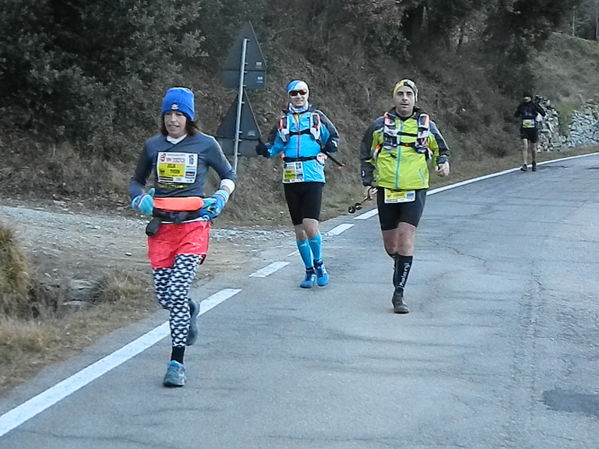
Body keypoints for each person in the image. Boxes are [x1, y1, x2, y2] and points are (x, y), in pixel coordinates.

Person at [129, 87, 236, 387]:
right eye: (168, 114)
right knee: (166, 297)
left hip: (193, 227)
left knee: (176, 291)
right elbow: (136, 182)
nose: (173, 120)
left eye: (179, 114)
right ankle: (189, 308)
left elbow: (229, 174)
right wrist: (139, 200)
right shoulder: (153, 146)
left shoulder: (206, 144)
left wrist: (221, 196)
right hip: (162, 229)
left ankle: (176, 362)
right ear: (162, 117)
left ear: (189, 117)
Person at [359, 79, 450, 314]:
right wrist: (367, 182)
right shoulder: (379, 126)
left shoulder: (427, 126)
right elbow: (365, 154)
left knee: (406, 237)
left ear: (415, 98)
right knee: (391, 245)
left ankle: (398, 294)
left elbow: (442, 149)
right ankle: (400, 264)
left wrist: (443, 163)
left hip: (415, 189)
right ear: (394, 97)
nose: (405, 98)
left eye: (409, 94)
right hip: (387, 189)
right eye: (400, 93)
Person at [255, 80, 340, 288]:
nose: (299, 96)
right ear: (289, 96)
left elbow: (333, 137)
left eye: (302, 92)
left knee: (311, 226)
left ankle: (319, 264)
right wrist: (264, 151)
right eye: (294, 93)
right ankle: (308, 271)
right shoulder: (282, 121)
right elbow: (275, 146)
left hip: (313, 176)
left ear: (308, 94)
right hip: (291, 177)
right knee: (300, 230)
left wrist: (331, 145)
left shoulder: (317, 117)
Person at [514, 92, 546, 172]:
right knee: (525, 146)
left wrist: (537, 114)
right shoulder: (521, 106)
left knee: (533, 148)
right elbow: (516, 115)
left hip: (533, 129)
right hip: (524, 129)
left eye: (527, 97)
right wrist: (519, 113)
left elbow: (543, 113)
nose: (526, 98)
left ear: (530, 98)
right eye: (524, 97)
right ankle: (524, 164)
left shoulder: (534, 105)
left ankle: (534, 162)